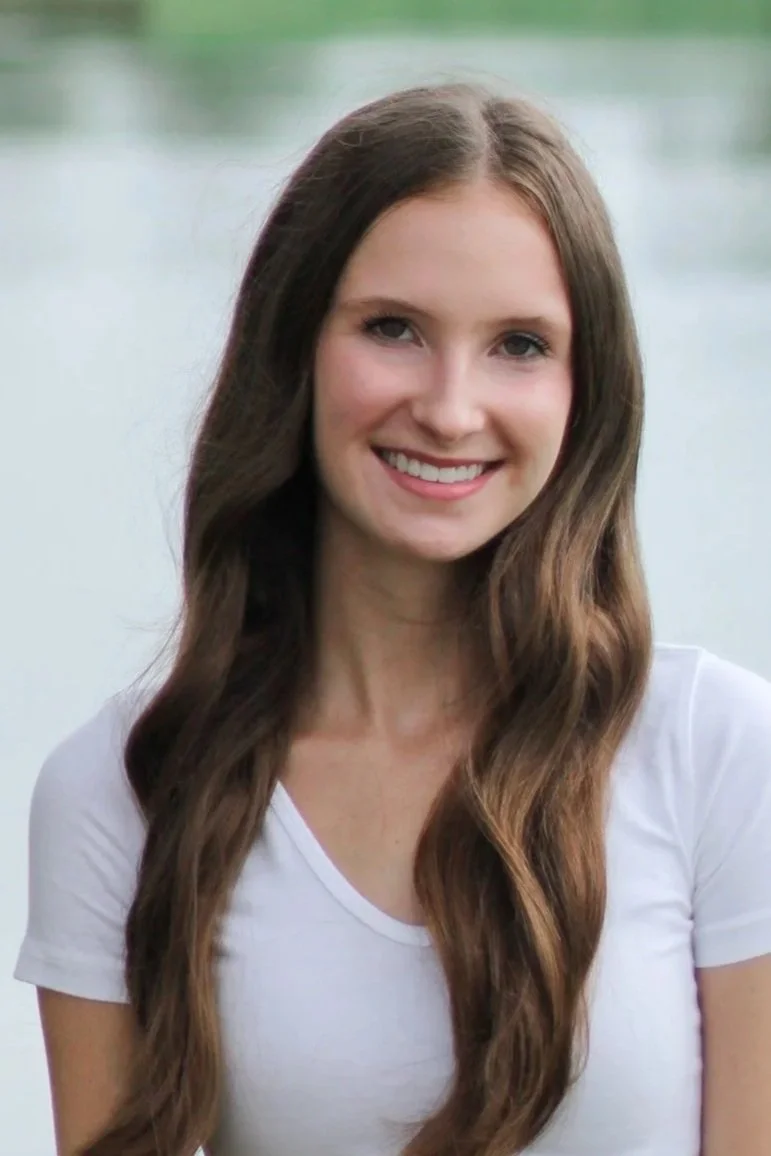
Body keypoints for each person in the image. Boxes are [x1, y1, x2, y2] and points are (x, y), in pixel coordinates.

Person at [13, 81, 771, 1156]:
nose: (451, 408)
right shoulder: (123, 793)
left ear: (585, 389)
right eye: (393, 329)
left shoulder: (721, 753)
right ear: (294, 349)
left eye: (519, 344)